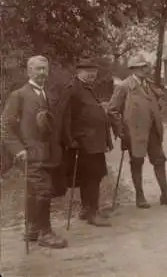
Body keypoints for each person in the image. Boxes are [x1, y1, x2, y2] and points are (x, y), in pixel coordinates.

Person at [1, 55, 68, 248]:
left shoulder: (46, 94)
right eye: (38, 69)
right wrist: (18, 150)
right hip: (29, 154)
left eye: (44, 69)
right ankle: (45, 234)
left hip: (45, 154)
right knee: (43, 190)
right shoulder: (19, 95)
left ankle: (32, 229)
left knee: (34, 192)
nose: (42, 73)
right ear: (29, 71)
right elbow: (5, 127)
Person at [108, 54, 167, 208]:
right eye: (140, 67)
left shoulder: (149, 85)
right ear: (133, 69)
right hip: (134, 132)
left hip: (153, 130)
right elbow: (112, 110)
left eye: (145, 66)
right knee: (137, 162)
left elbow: (161, 99)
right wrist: (121, 131)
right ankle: (140, 196)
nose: (144, 69)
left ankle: (165, 194)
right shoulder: (124, 86)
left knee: (159, 160)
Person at [63, 58, 113, 226]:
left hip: (95, 143)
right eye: (88, 71)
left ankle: (87, 209)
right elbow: (66, 118)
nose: (92, 74)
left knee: (93, 176)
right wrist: (70, 141)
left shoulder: (89, 89)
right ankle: (93, 212)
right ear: (78, 72)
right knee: (91, 177)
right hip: (84, 143)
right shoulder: (73, 90)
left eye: (94, 70)